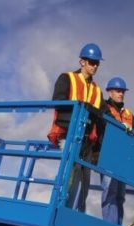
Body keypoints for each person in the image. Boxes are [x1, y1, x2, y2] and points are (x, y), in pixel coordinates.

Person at [47, 43, 108, 212]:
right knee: (69, 176)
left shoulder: (97, 90)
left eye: (97, 63)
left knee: (84, 183)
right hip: (69, 135)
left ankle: (73, 214)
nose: (95, 66)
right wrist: (84, 109)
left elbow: (103, 114)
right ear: (82, 62)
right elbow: (58, 102)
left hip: (88, 141)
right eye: (91, 62)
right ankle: (58, 210)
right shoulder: (67, 78)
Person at [101, 76, 134, 225]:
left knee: (120, 196)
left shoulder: (129, 114)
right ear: (109, 92)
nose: (121, 94)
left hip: (123, 160)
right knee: (109, 192)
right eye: (117, 91)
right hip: (109, 157)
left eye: (122, 91)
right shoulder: (104, 108)